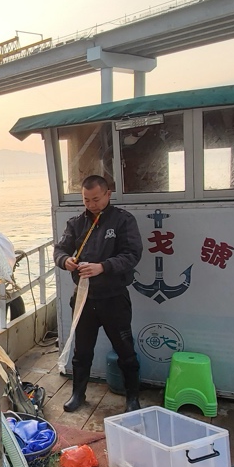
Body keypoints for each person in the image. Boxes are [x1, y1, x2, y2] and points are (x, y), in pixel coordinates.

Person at [53, 174, 143, 413]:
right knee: (82, 351)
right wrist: (66, 261)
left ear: (107, 194)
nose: (91, 205)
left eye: (96, 199)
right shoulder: (76, 223)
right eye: (86, 200)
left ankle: (132, 397)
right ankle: (78, 394)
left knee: (125, 350)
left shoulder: (123, 220)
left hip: (114, 297)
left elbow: (132, 254)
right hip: (84, 297)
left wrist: (102, 266)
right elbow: (60, 249)